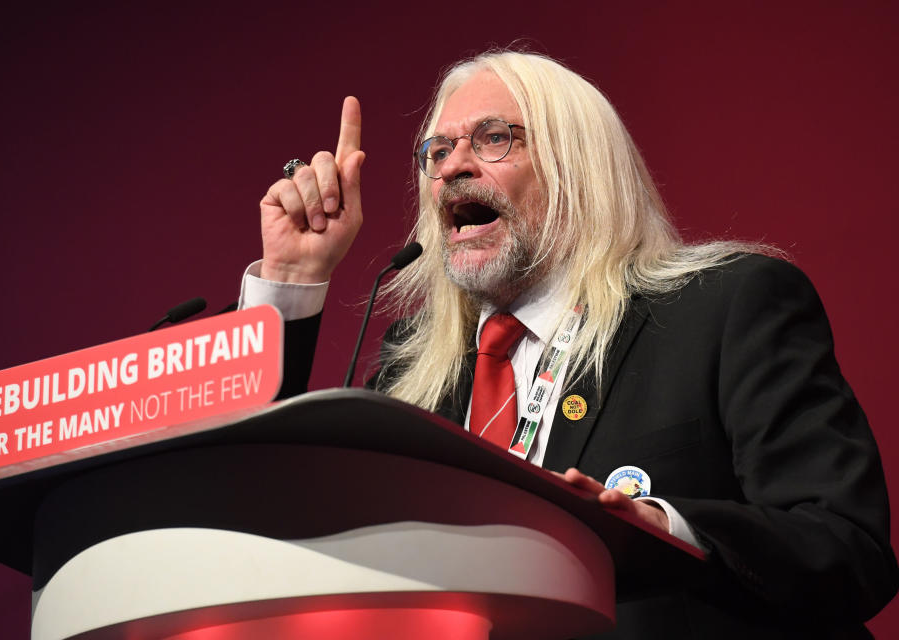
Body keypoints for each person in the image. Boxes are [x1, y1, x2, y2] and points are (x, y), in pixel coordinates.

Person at [240, 50, 897, 637]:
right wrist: (293, 278)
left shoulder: (725, 308)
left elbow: (845, 549)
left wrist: (662, 531)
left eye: (493, 138)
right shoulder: (415, 372)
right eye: (436, 151)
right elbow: (259, 504)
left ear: (579, 167)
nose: (452, 167)